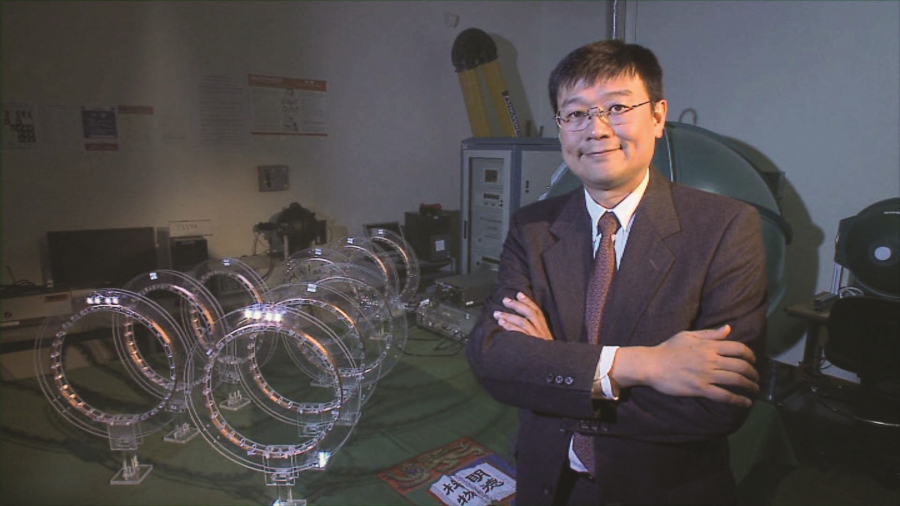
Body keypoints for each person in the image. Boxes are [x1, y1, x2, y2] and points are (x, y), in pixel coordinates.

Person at [465, 40, 767, 506]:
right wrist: (644, 366)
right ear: (561, 128)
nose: (597, 129)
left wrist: (551, 372)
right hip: (548, 485)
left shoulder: (726, 227)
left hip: (659, 491)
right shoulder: (533, 227)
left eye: (618, 108)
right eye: (576, 113)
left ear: (658, 116)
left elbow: (717, 402)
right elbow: (494, 360)